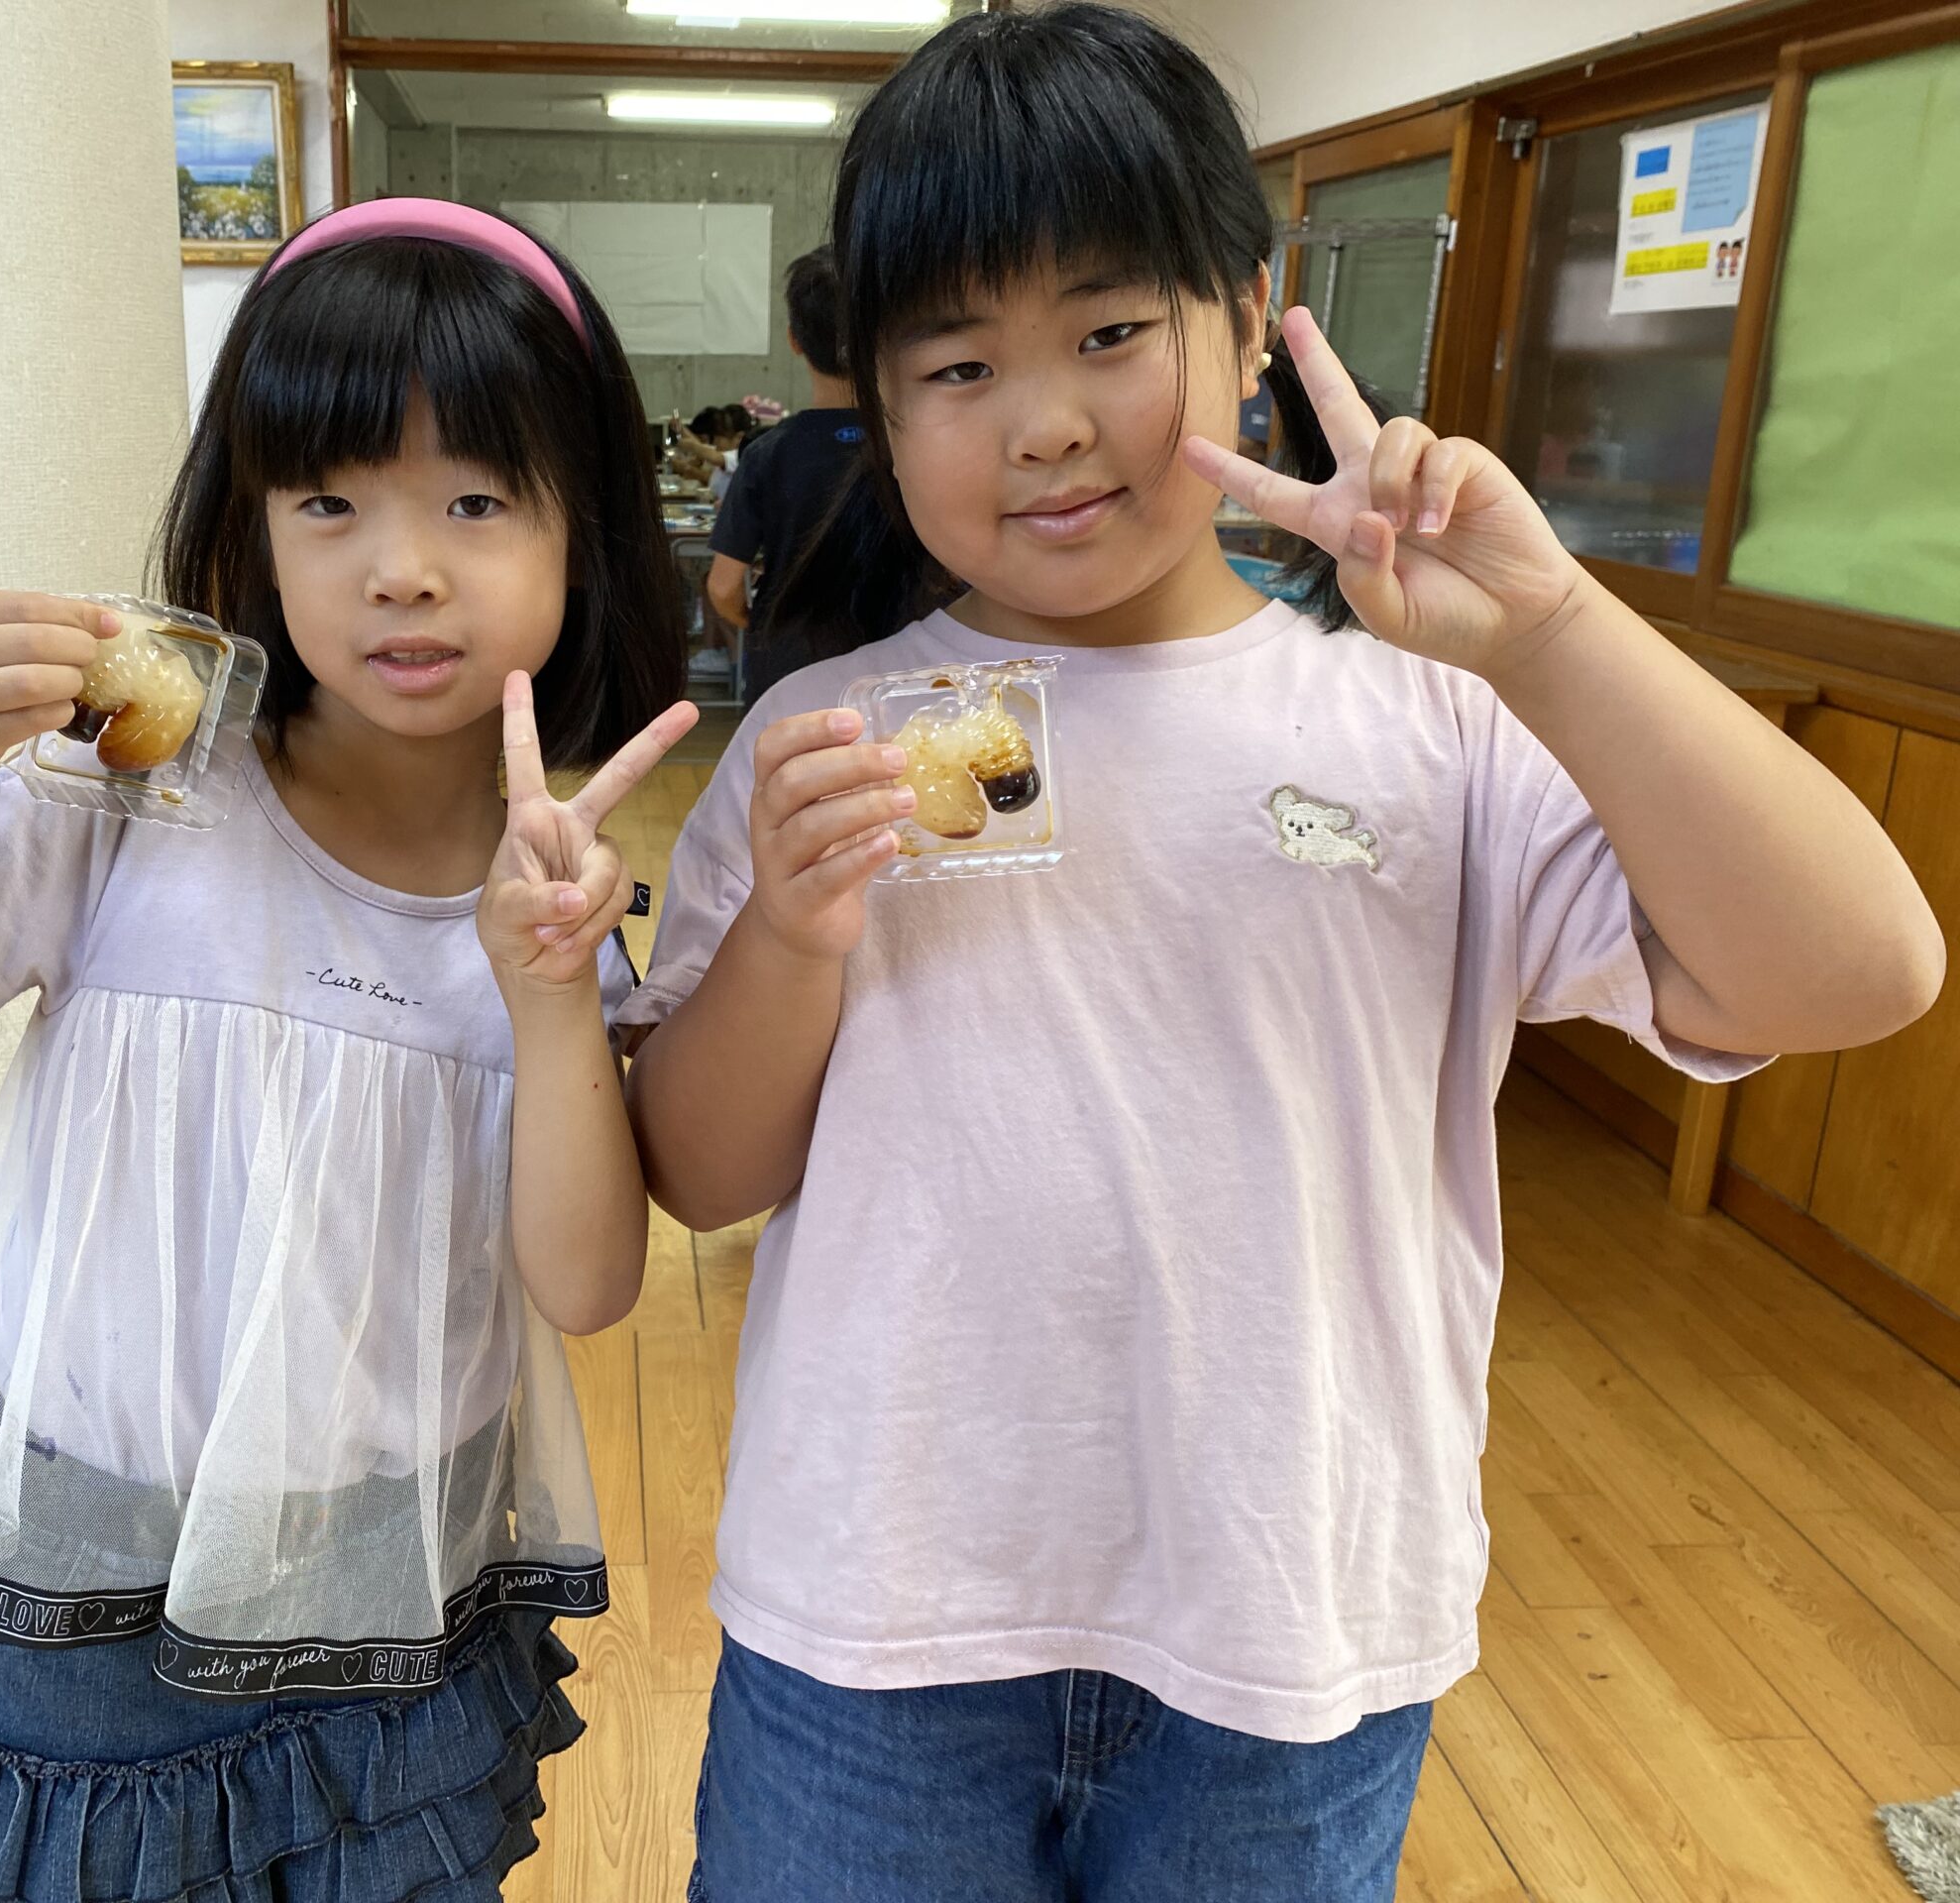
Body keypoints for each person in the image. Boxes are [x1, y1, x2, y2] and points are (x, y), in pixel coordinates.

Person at [618, 10, 1944, 1902]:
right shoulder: (821, 745)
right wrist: (792, 939)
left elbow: (1858, 972)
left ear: (1249, 324)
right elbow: (701, 1174)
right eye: (960, 366)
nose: (1045, 421)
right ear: (881, 405)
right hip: (878, 1613)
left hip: (1293, 1625)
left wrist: (1552, 633)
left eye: (1109, 332)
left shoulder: (1431, 722)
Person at [0, 199, 698, 1903]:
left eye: (477, 500)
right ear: (251, 527)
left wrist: (548, 991)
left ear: (584, 531)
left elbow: (585, 1289)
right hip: (86, 1586)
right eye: (329, 501)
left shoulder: (553, 898)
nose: (403, 567)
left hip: (394, 1599)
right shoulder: (125, 801)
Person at [707, 246, 868, 699]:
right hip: (904, 666)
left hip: (789, 663)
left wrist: (762, 628)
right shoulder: (914, 447)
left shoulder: (766, 453)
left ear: (794, 340)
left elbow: (723, 587)